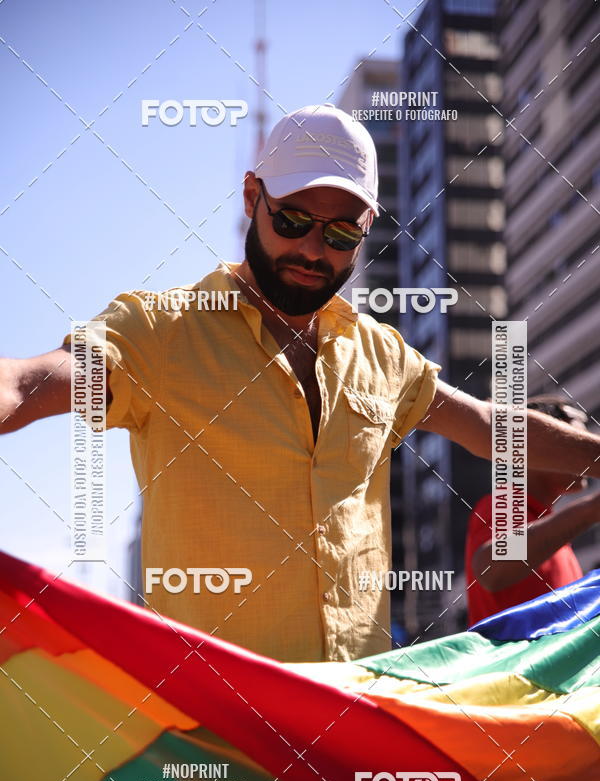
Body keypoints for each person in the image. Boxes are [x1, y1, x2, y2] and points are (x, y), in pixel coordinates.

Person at [1, 104, 600, 663]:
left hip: (352, 728)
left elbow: (488, 427)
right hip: (216, 742)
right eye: (292, 220)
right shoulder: (161, 332)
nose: (314, 249)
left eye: (341, 234)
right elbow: (30, 383)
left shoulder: (381, 354)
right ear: (251, 196)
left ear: (366, 228)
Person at [465, 396, 599, 626]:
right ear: (535, 447)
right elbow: (490, 568)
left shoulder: (548, 528)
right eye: (575, 443)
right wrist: (590, 510)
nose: (587, 456)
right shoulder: (505, 504)